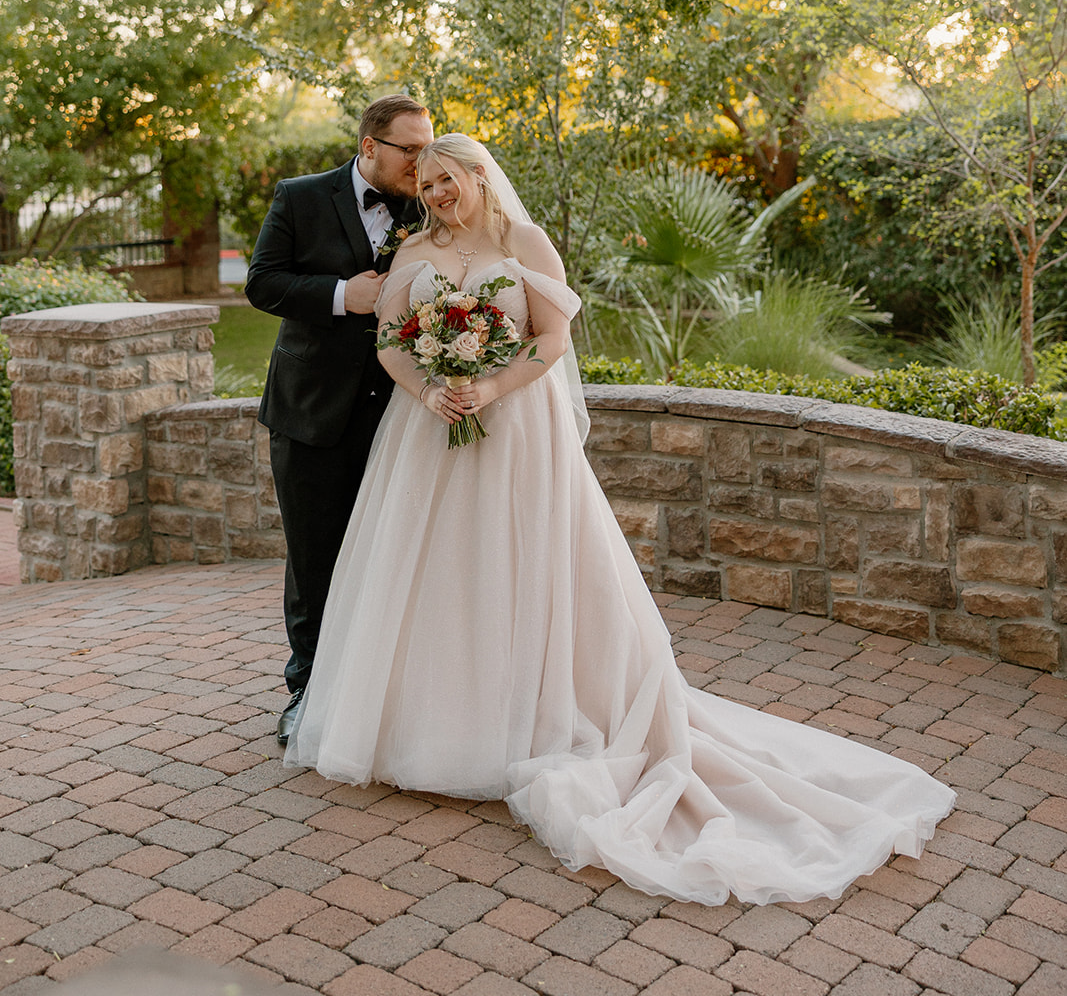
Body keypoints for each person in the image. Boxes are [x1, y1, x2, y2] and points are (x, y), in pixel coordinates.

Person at [285, 134, 954, 906]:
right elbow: (388, 344)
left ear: (477, 176)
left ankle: (525, 718)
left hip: (516, 430)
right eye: (425, 182)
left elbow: (552, 337)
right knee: (437, 572)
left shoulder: (524, 242)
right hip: (429, 432)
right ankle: (429, 728)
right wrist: (431, 389)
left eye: (446, 178)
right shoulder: (413, 250)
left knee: (520, 563)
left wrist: (490, 389)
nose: (435, 192)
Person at [244, 95, 434, 745]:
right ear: (369, 147)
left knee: (391, 555)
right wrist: (339, 295)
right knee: (315, 558)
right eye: (410, 150)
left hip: (399, 417)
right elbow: (262, 283)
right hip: (311, 412)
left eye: (427, 149)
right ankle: (307, 692)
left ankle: (380, 691)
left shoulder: (429, 203)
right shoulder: (299, 198)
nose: (421, 163)